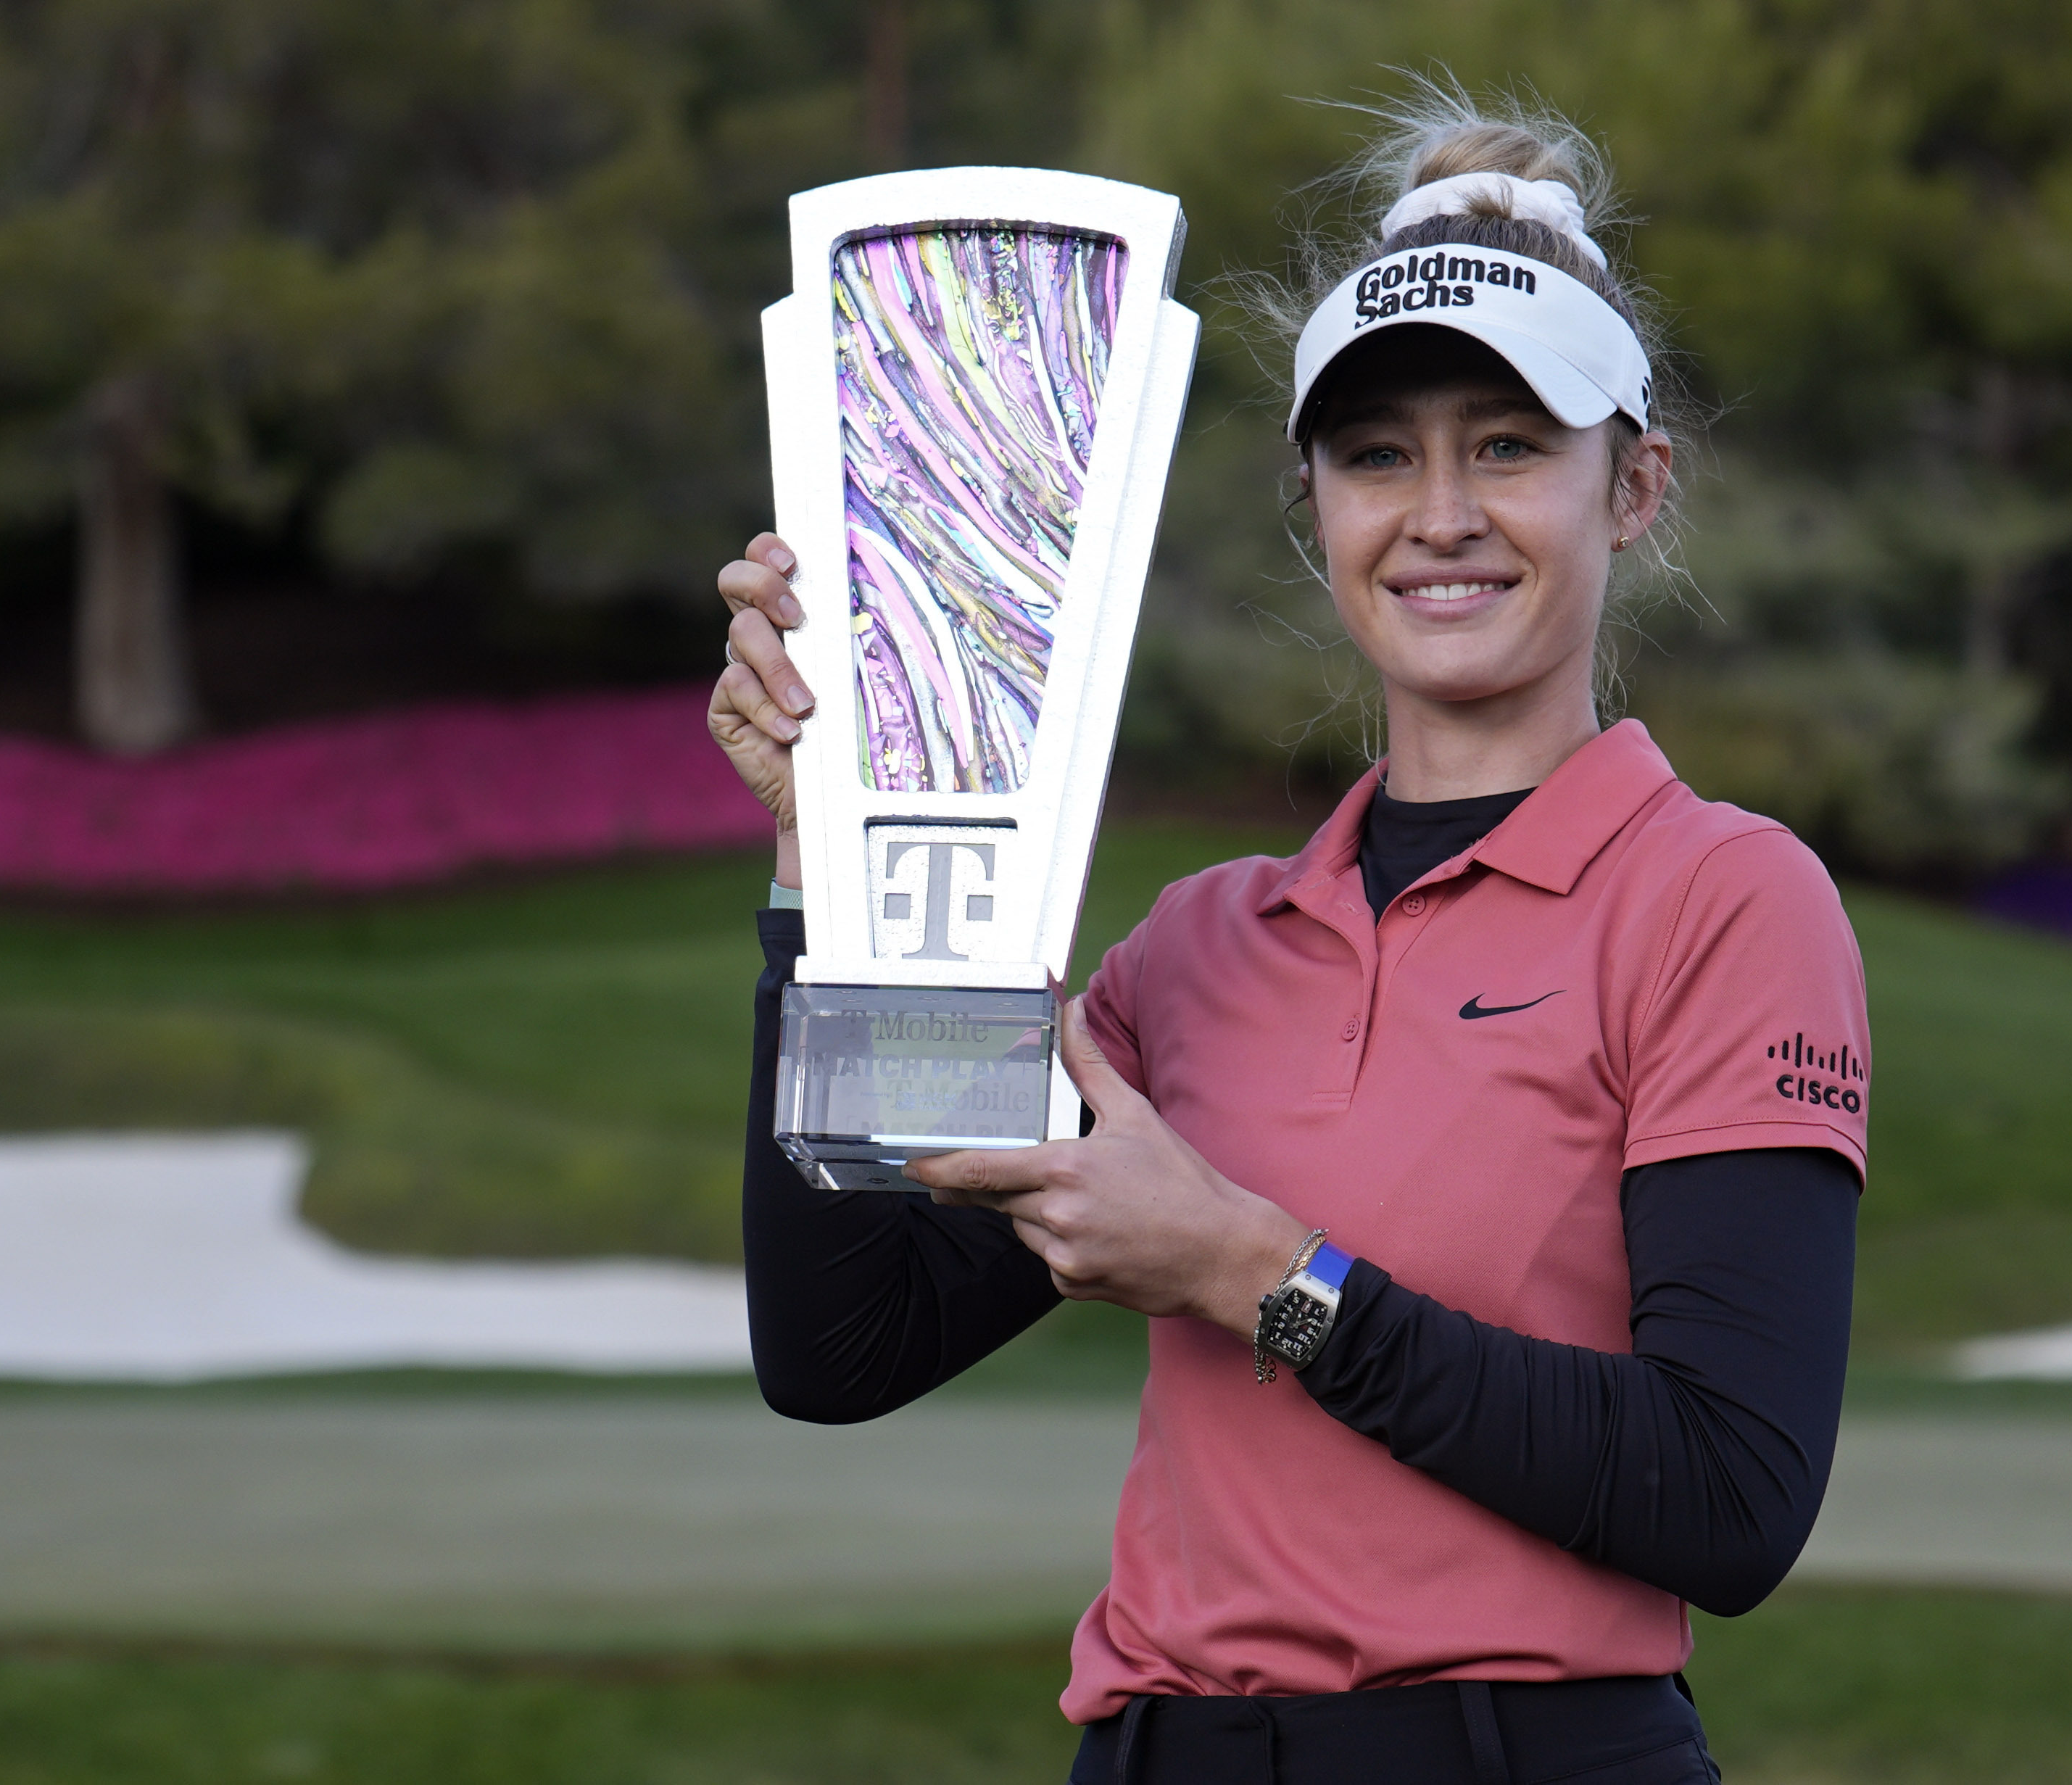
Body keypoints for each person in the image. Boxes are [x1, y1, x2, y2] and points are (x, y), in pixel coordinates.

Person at [708, 90, 1868, 1785]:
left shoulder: (1719, 896)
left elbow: (1728, 1494)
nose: (1441, 513)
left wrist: (1259, 1277)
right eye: (1379, 454)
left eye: (1509, 445)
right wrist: (832, 864)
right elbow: (843, 1344)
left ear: (1633, 487)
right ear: (1310, 501)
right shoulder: (1199, 946)